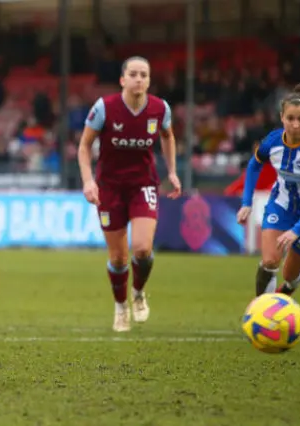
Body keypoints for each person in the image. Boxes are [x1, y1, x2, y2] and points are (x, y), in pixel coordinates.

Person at [77, 56, 181, 332]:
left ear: (149, 80)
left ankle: (138, 292)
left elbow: (168, 136)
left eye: (144, 75)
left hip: (143, 184)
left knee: (143, 249)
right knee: (119, 258)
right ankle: (121, 305)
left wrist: (172, 171)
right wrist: (88, 181)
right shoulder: (104, 108)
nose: (139, 79)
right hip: (109, 187)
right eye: (133, 74)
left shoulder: (160, 109)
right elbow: (84, 145)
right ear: (123, 79)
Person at [237, 83, 300, 296]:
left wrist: (296, 230)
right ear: (282, 118)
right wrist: (246, 202)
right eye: (290, 118)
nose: (295, 124)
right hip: (282, 204)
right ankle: (263, 312)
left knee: (289, 274)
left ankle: (294, 281)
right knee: (269, 261)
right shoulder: (273, 141)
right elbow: (255, 164)